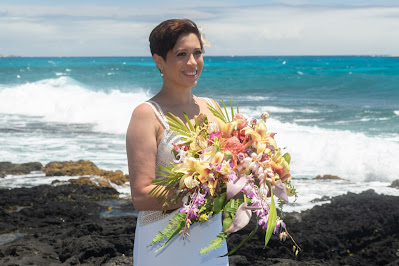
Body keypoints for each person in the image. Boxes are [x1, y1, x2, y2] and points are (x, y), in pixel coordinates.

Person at [126, 19, 229, 266]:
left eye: (197, 53)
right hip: (164, 246)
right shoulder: (147, 115)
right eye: (181, 54)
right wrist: (203, 192)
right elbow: (141, 195)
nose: (192, 62)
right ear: (159, 61)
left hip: (212, 244)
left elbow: (231, 171)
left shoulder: (214, 109)